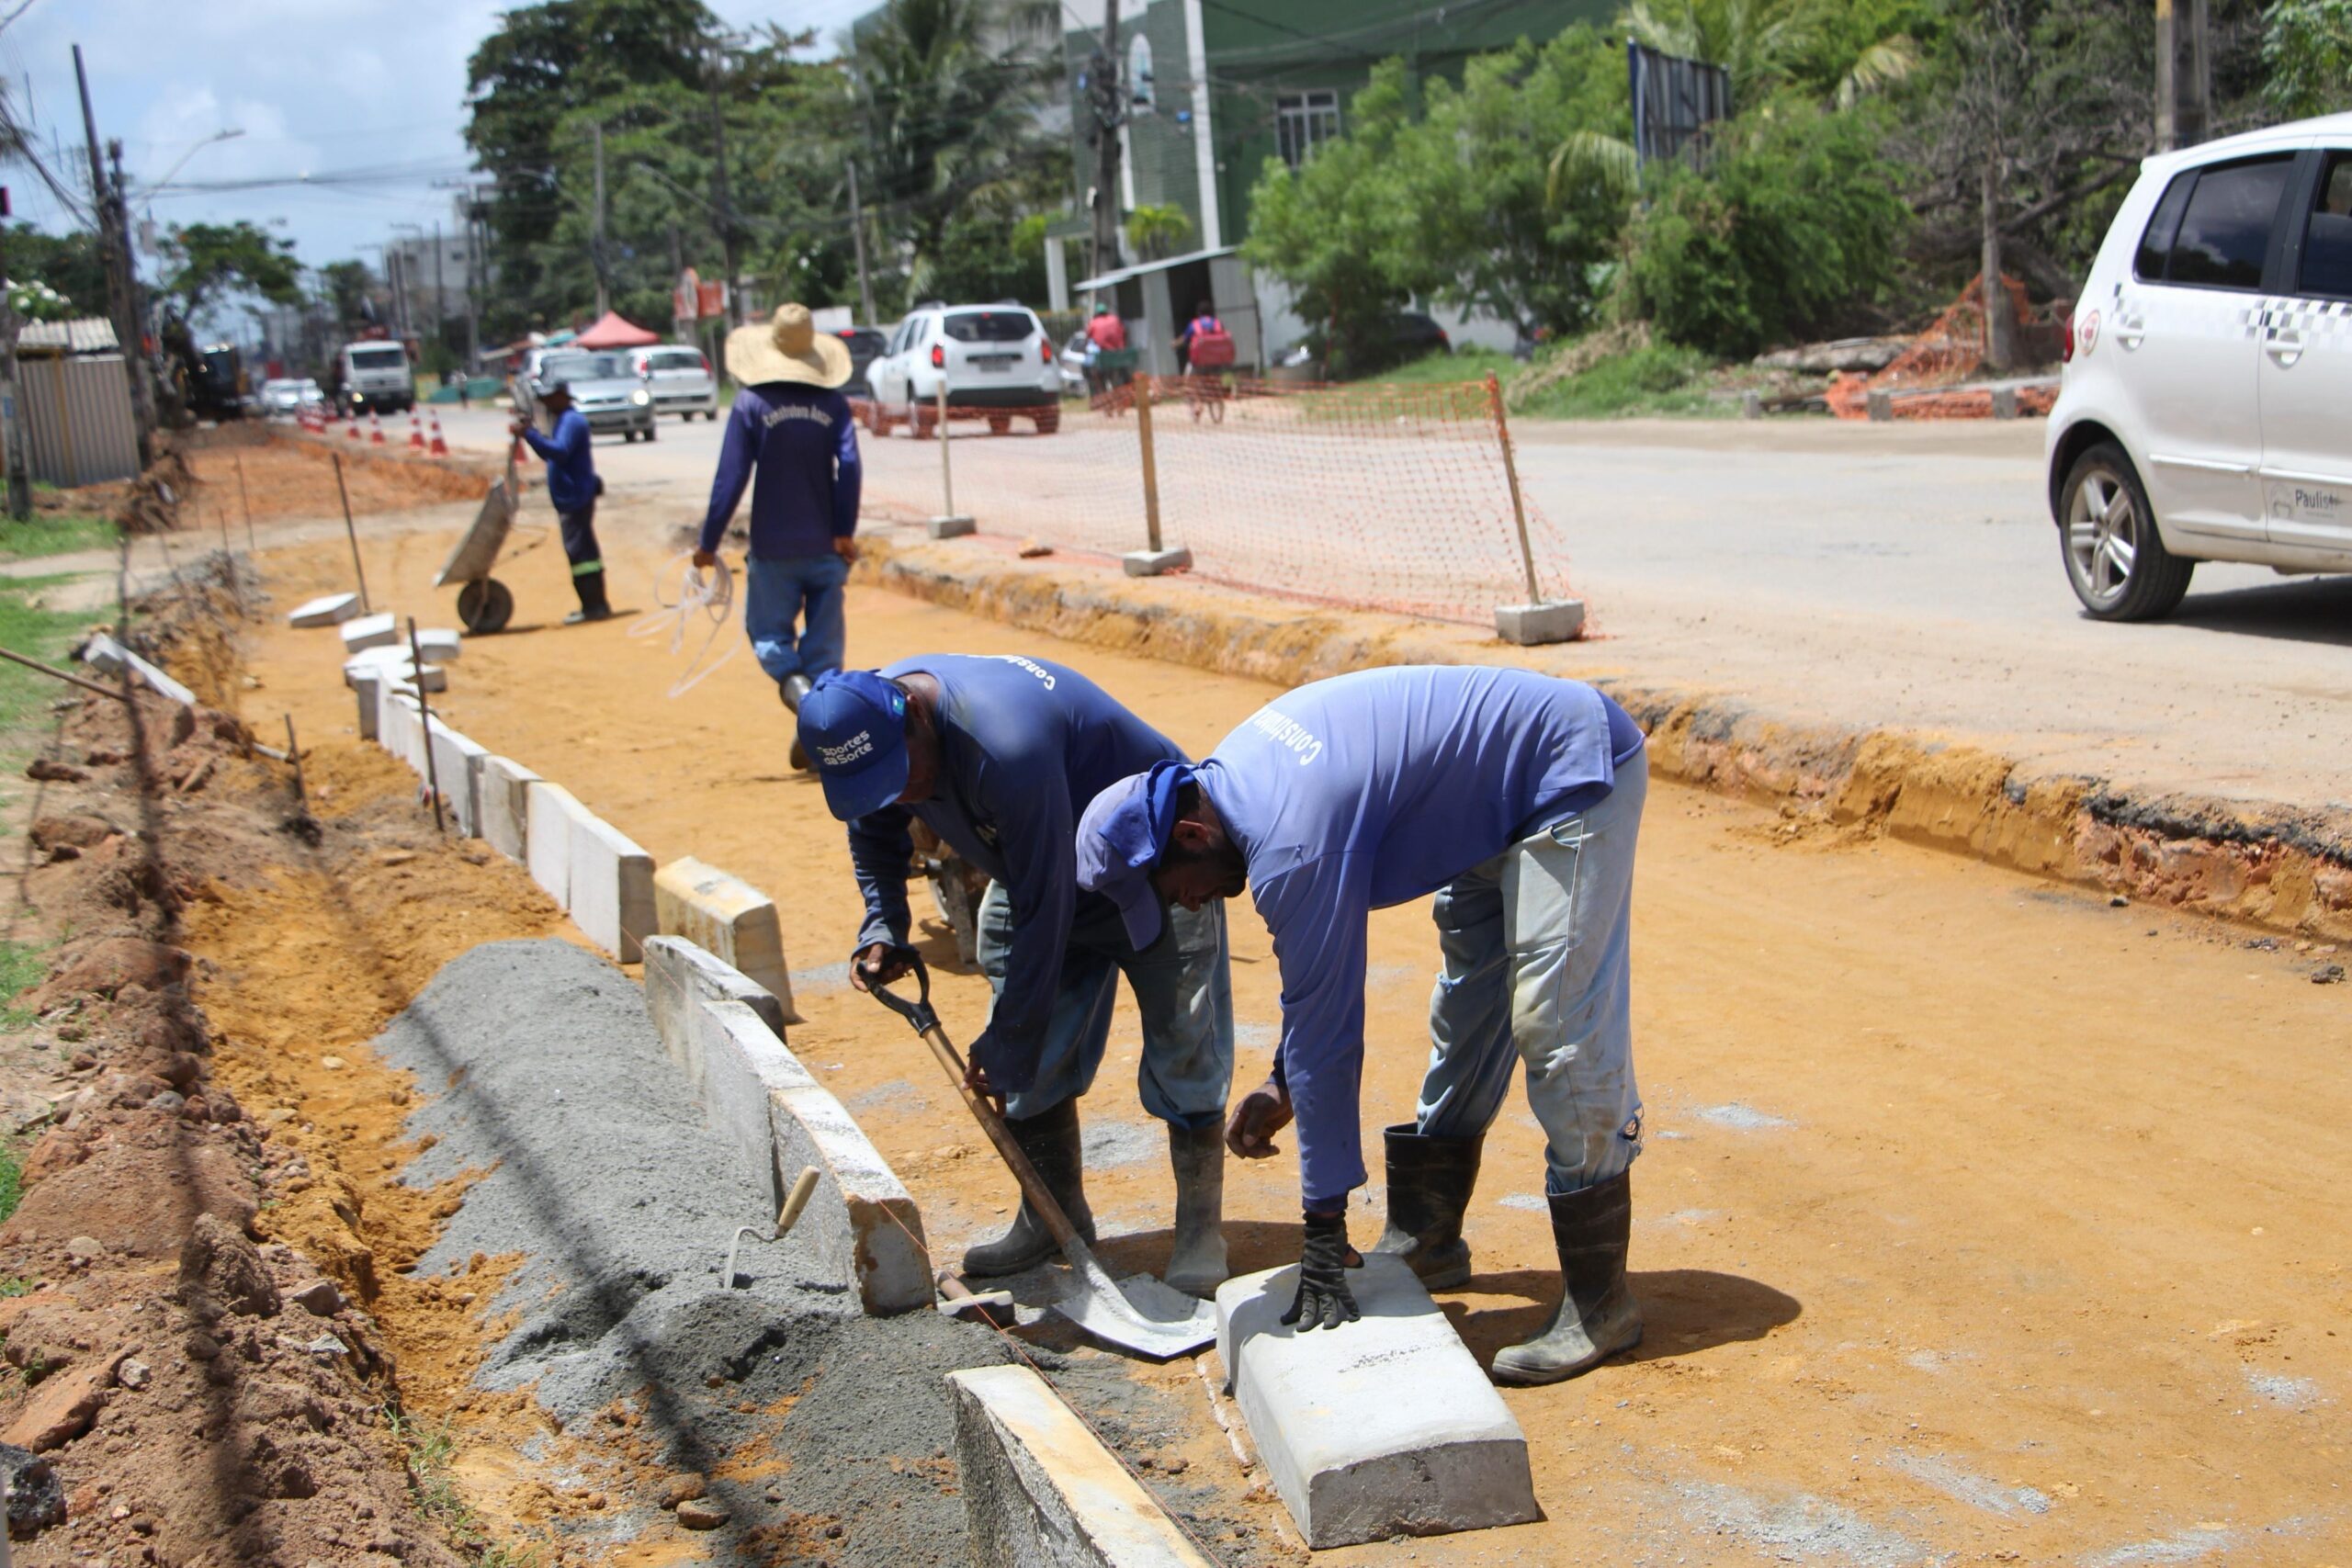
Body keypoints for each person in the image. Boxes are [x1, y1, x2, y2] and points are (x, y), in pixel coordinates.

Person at [1075, 666, 1649, 1383]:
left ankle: (1602, 1302)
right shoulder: (1234, 786)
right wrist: (1284, 1080)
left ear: (1191, 833)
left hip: (1569, 767)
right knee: (1465, 1012)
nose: (1188, 906)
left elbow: (1330, 1032)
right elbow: (1319, 992)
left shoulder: (1291, 839)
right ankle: (1429, 1239)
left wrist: (1322, 1229)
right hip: (1487, 795)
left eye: (1172, 888)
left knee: (1553, 1021)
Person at [797, 657, 1236, 1293]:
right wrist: (885, 924)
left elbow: (1046, 901)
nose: (905, 792)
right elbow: (875, 829)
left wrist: (1008, 1041)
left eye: (907, 774)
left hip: (1158, 870)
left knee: (1184, 1042)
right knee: (1033, 1049)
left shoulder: (1005, 742)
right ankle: (1053, 1216)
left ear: (917, 715)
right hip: (1039, 868)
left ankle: (1199, 1231)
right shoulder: (872, 734)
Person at [696, 303, 862, 770]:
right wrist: (843, 531)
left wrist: (709, 541)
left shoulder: (751, 404)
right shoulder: (832, 405)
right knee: (825, 651)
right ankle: (817, 722)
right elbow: (849, 467)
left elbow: (730, 478)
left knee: (769, 636)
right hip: (826, 548)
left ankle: (807, 709)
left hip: (772, 549)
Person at [509, 378, 607, 624]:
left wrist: (529, 434)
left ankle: (593, 606)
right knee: (584, 551)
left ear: (563, 396)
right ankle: (595, 604)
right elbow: (552, 451)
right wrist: (531, 434)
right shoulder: (563, 420)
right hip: (571, 495)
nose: (547, 403)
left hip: (576, 496)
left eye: (551, 398)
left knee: (580, 553)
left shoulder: (572, 421)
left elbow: (560, 451)